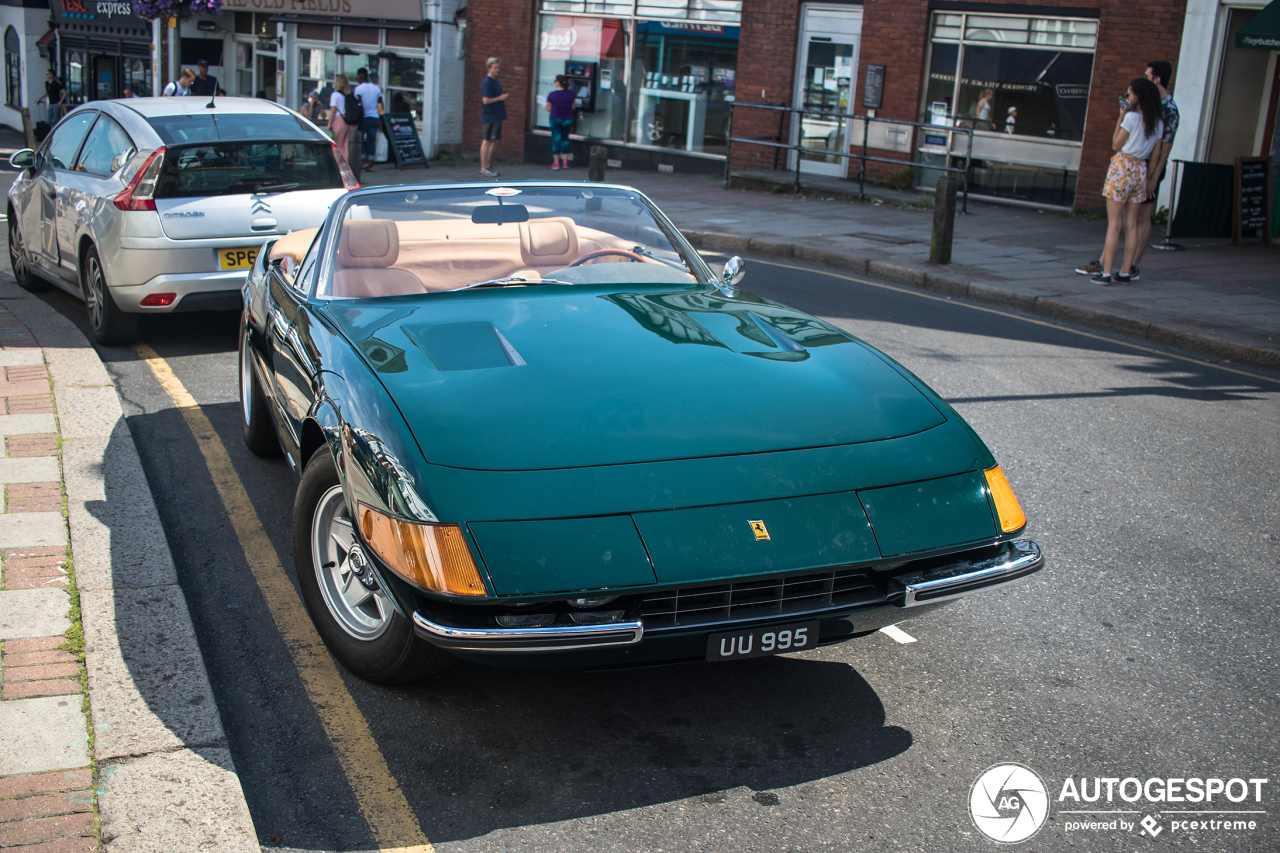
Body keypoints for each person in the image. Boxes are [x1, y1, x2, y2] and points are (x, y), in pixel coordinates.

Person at [1091, 78, 1164, 285]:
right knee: (1131, 224)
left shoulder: (1131, 117)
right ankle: (1125, 272)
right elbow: (1156, 155)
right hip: (1140, 169)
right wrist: (1150, 179)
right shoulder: (1158, 122)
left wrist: (1120, 117)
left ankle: (1105, 273)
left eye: (1129, 94)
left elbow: (1116, 144)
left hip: (1122, 167)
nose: (1127, 97)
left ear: (1138, 96)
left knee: (1114, 224)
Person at [1130, 60, 1179, 278]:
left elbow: (1165, 150)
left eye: (1147, 75)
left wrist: (1153, 178)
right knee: (1124, 216)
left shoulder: (1169, 110)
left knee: (1142, 216)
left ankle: (1133, 265)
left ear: (1156, 79)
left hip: (1151, 166)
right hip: (1134, 163)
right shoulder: (1147, 102)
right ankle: (1111, 261)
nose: (1144, 78)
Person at [479, 57, 509, 178]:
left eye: (499, 68)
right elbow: (485, 100)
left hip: (497, 115)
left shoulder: (496, 81)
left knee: (494, 141)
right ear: (489, 68)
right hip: (490, 115)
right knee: (487, 140)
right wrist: (500, 98)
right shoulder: (487, 83)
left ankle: (488, 165)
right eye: (495, 68)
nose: (498, 70)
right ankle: (483, 167)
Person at [353, 68, 383, 171]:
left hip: (364, 118)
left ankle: (362, 161)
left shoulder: (359, 89)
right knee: (371, 141)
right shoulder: (376, 88)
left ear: (361, 77)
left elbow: (358, 104)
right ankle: (370, 164)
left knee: (359, 140)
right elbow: (380, 104)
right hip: (374, 117)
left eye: (358, 77)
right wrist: (381, 118)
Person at [544, 75, 576, 170]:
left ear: (558, 82)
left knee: (556, 140)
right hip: (567, 119)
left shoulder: (552, 94)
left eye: (555, 81)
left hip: (555, 118)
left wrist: (545, 107)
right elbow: (573, 107)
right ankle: (565, 162)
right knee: (565, 140)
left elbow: (549, 109)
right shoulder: (571, 93)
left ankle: (556, 162)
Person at [329, 74, 353, 165]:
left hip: (339, 119)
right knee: (345, 144)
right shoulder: (347, 94)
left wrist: (329, 123)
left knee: (337, 144)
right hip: (347, 120)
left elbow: (333, 110)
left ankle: (338, 164)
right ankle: (345, 163)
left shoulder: (335, 95)